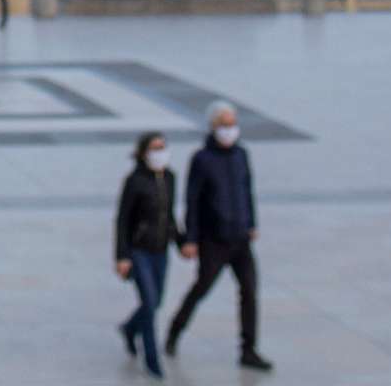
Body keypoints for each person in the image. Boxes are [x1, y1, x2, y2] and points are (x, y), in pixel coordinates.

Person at [167, 100, 273, 372]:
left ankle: (248, 349)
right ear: (213, 126)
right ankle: (175, 330)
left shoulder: (241, 155)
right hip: (214, 239)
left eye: (232, 124)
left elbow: (247, 190)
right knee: (202, 288)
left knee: (249, 291)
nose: (229, 129)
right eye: (224, 125)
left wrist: (252, 222)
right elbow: (192, 200)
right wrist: (190, 238)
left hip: (240, 238)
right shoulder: (202, 159)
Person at [112, 131, 180, 378]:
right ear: (142, 152)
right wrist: (121, 256)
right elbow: (122, 220)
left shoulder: (170, 177)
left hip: (161, 250)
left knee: (156, 301)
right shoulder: (135, 181)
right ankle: (153, 361)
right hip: (139, 251)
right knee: (150, 304)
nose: (160, 153)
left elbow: (169, 214)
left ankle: (130, 329)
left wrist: (182, 241)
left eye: (163, 147)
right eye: (154, 148)